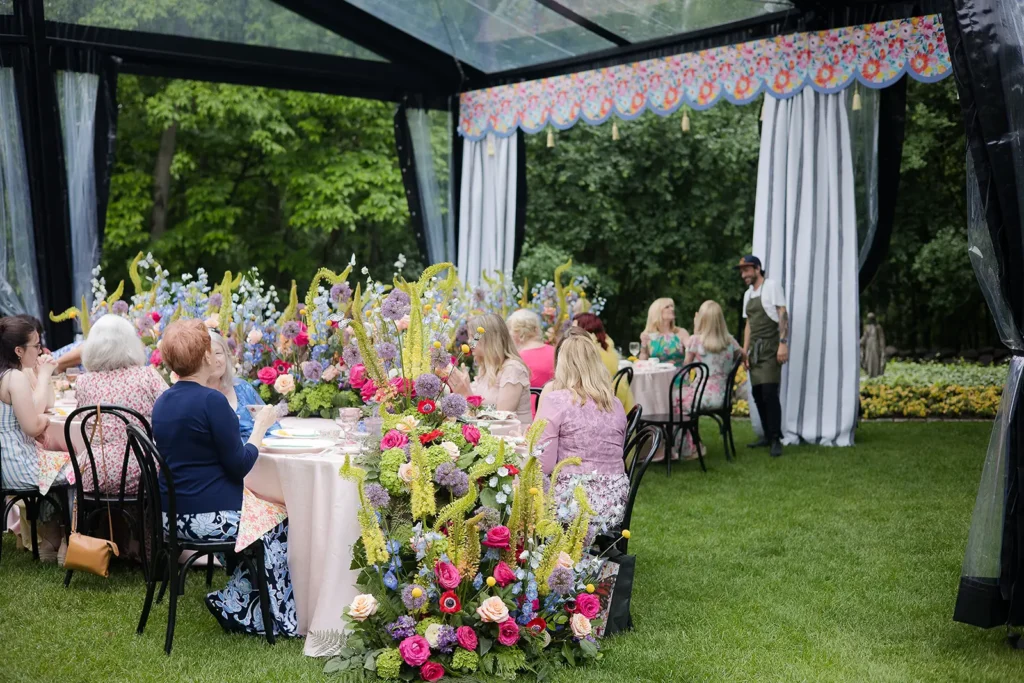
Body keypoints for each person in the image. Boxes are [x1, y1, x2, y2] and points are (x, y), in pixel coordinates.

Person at [152, 320, 296, 637]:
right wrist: (260, 427)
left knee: (258, 518)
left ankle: (234, 602)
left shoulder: (163, 401)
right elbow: (239, 465)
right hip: (210, 519)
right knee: (277, 520)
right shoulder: (212, 401)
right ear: (206, 357)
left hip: (170, 518)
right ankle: (279, 618)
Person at [536, 327, 628, 539]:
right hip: (614, 504)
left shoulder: (556, 400)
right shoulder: (614, 403)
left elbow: (544, 464)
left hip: (571, 504)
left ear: (563, 364)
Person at [75, 314, 168, 496]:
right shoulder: (146, 376)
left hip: (95, 472)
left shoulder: (83, 382)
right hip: (141, 470)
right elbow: (170, 411)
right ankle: (152, 523)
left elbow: (83, 420)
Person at [0, 316, 66, 560]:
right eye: (35, 345)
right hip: (21, 465)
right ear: (18, 350)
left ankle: (50, 540)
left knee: (60, 461)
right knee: (79, 468)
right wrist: (46, 421)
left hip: (8, 463)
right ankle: (69, 540)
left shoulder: (5, 374)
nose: (39, 350)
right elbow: (31, 425)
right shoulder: (14, 378)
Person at [672, 300, 744, 460]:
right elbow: (742, 356)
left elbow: (685, 368)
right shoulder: (730, 341)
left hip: (701, 397)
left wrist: (695, 330)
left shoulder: (696, 341)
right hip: (723, 397)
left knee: (673, 399)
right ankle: (694, 443)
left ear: (702, 319)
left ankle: (688, 447)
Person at [737, 255, 788, 458]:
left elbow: (783, 313)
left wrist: (783, 344)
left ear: (757, 269)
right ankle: (767, 435)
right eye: (742, 271)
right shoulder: (748, 295)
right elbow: (749, 324)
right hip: (755, 353)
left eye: (747, 270)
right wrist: (745, 352)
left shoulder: (771, 286)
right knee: (758, 394)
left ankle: (776, 438)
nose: (744, 275)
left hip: (771, 348)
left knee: (769, 392)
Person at [448, 313, 532, 425]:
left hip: (510, 437)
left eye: (474, 337)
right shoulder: (485, 368)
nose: (469, 342)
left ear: (489, 339)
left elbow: (501, 420)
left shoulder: (512, 369)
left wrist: (466, 394)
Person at [206, 332, 280, 440]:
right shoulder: (194, 396)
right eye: (209, 355)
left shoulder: (242, 387)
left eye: (218, 353)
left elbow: (272, 425)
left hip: (261, 452)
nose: (216, 360)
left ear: (226, 356)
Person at [572, 312, 635, 413]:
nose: (571, 333)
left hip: (599, 402)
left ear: (586, 329)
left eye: (575, 329)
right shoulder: (607, 346)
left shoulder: (590, 351)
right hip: (614, 398)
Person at [506, 308, 555, 416]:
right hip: (553, 415)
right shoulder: (556, 353)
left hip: (525, 419)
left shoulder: (515, 359)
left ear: (516, 333)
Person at [638, 298, 690, 366]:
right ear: (657, 312)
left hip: (678, 374)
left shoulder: (680, 332)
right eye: (667, 307)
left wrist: (686, 366)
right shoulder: (648, 335)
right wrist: (643, 345)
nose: (672, 309)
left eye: (672, 306)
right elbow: (642, 362)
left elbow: (691, 350)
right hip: (657, 375)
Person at [861, 312, 887, 378]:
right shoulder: (866, 327)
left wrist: (882, 347)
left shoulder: (878, 327)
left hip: (875, 344)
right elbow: (865, 337)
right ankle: (869, 373)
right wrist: (860, 342)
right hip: (868, 345)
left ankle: (876, 374)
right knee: (868, 359)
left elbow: (881, 338)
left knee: (875, 359)